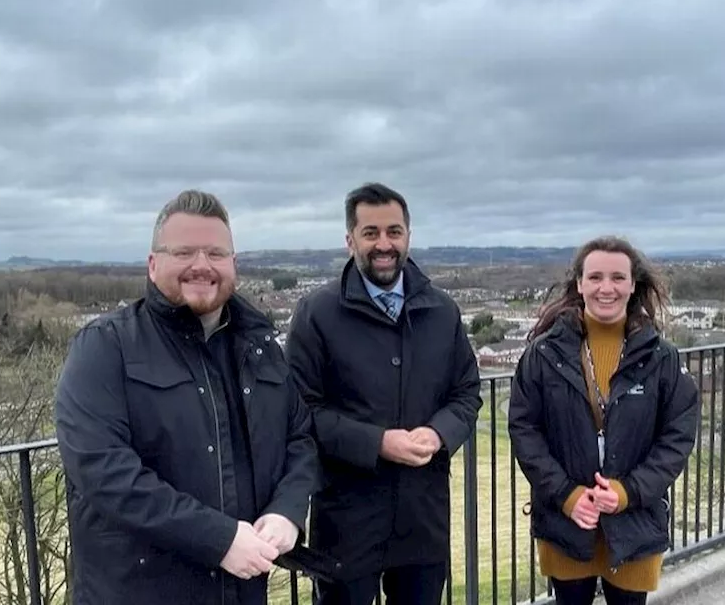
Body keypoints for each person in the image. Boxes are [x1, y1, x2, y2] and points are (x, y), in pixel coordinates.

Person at [54, 189, 320, 605]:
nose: (202, 265)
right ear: (153, 263)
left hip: (243, 591)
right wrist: (220, 540)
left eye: (216, 253)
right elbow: (103, 471)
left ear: (234, 264)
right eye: (184, 253)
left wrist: (288, 511)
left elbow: (299, 437)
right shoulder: (106, 346)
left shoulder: (260, 347)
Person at [284, 182, 483, 605]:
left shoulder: (442, 311)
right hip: (346, 520)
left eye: (394, 231)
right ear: (350, 239)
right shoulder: (316, 313)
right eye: (370, 233)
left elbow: (466, 392)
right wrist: (378, 444)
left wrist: (440, 433)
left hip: (423, 517)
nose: (384, 244)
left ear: (408, 236)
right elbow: (301, 412)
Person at [507, 236, 700, 605]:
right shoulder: (543, 354)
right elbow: (524, 430)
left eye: (617, 277)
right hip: (566, 523)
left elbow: (677, 436)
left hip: (635, 523)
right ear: (579, 284)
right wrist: (567, 495)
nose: (606, 288)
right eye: (595, 277)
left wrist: (628, 493)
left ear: (632, 284)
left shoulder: (663, 359)